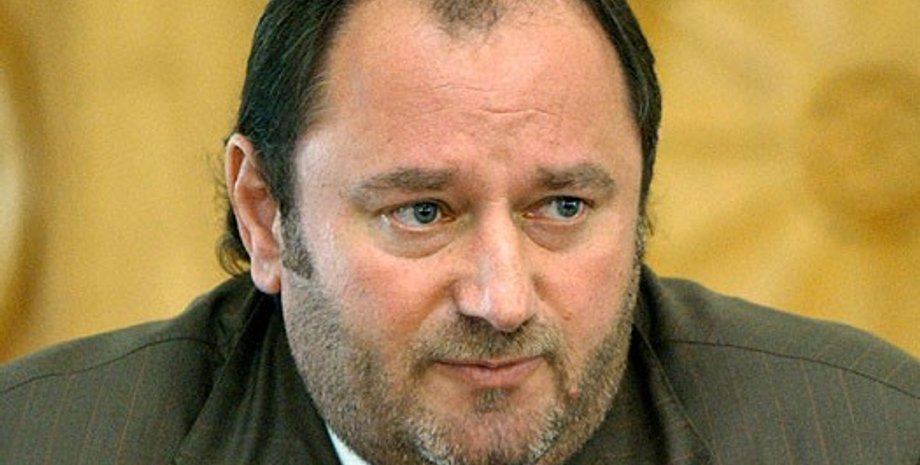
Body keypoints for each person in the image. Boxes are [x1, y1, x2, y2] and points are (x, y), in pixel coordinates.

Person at [1, 0, 917, 463]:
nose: (501, 300)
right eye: (423, 213)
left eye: (563, 207)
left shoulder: (866, 436)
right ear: (267, 216)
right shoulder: (44, 443)